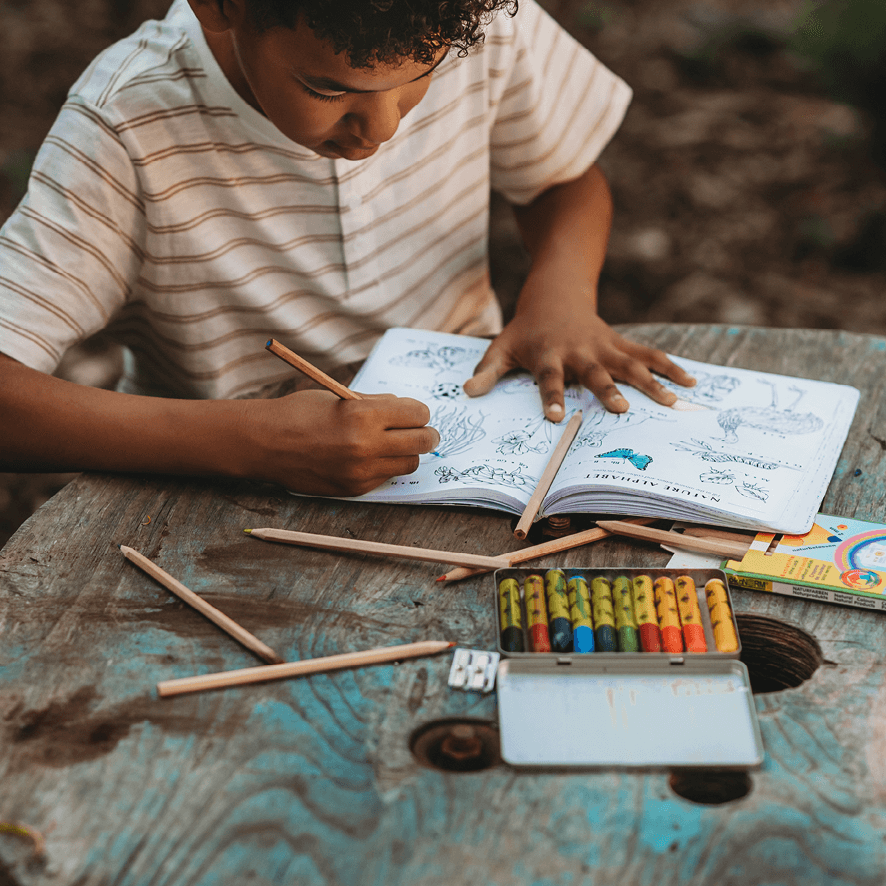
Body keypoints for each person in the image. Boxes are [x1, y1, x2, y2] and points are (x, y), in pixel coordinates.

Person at [0, 0, 695, 497]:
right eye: (329, 88)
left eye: (419, 79)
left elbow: (563, 180)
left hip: (472, 452)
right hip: (210, 493)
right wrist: (251, 443)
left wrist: (562, 298)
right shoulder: (125, 126)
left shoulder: (474, 19)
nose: (382, 129)